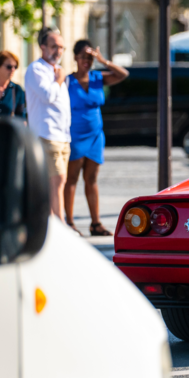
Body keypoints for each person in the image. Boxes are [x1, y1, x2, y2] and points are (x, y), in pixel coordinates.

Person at [64, 40, 129, 236]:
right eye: (83, 56)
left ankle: (95, 223)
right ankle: (69, 223)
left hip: (95, 137)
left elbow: (123, 74)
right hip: (74, 136)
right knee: (72, 179)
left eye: (90, 57)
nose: (87, 60)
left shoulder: (97, 77)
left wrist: (103, 61)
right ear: (75, 57)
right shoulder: (67, 81)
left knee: (91, 179)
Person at [25, 27, 71, 219]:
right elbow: (47, 95)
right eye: (54, 46)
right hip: (47, 134)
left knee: (59, 182)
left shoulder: (56, 70)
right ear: (42, 47)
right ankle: (60, 225)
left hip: (62, 136)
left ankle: (55, 222)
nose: (58, 51)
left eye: (61, 47)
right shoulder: (36, 69)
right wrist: (59, 80)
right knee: (57, 181)